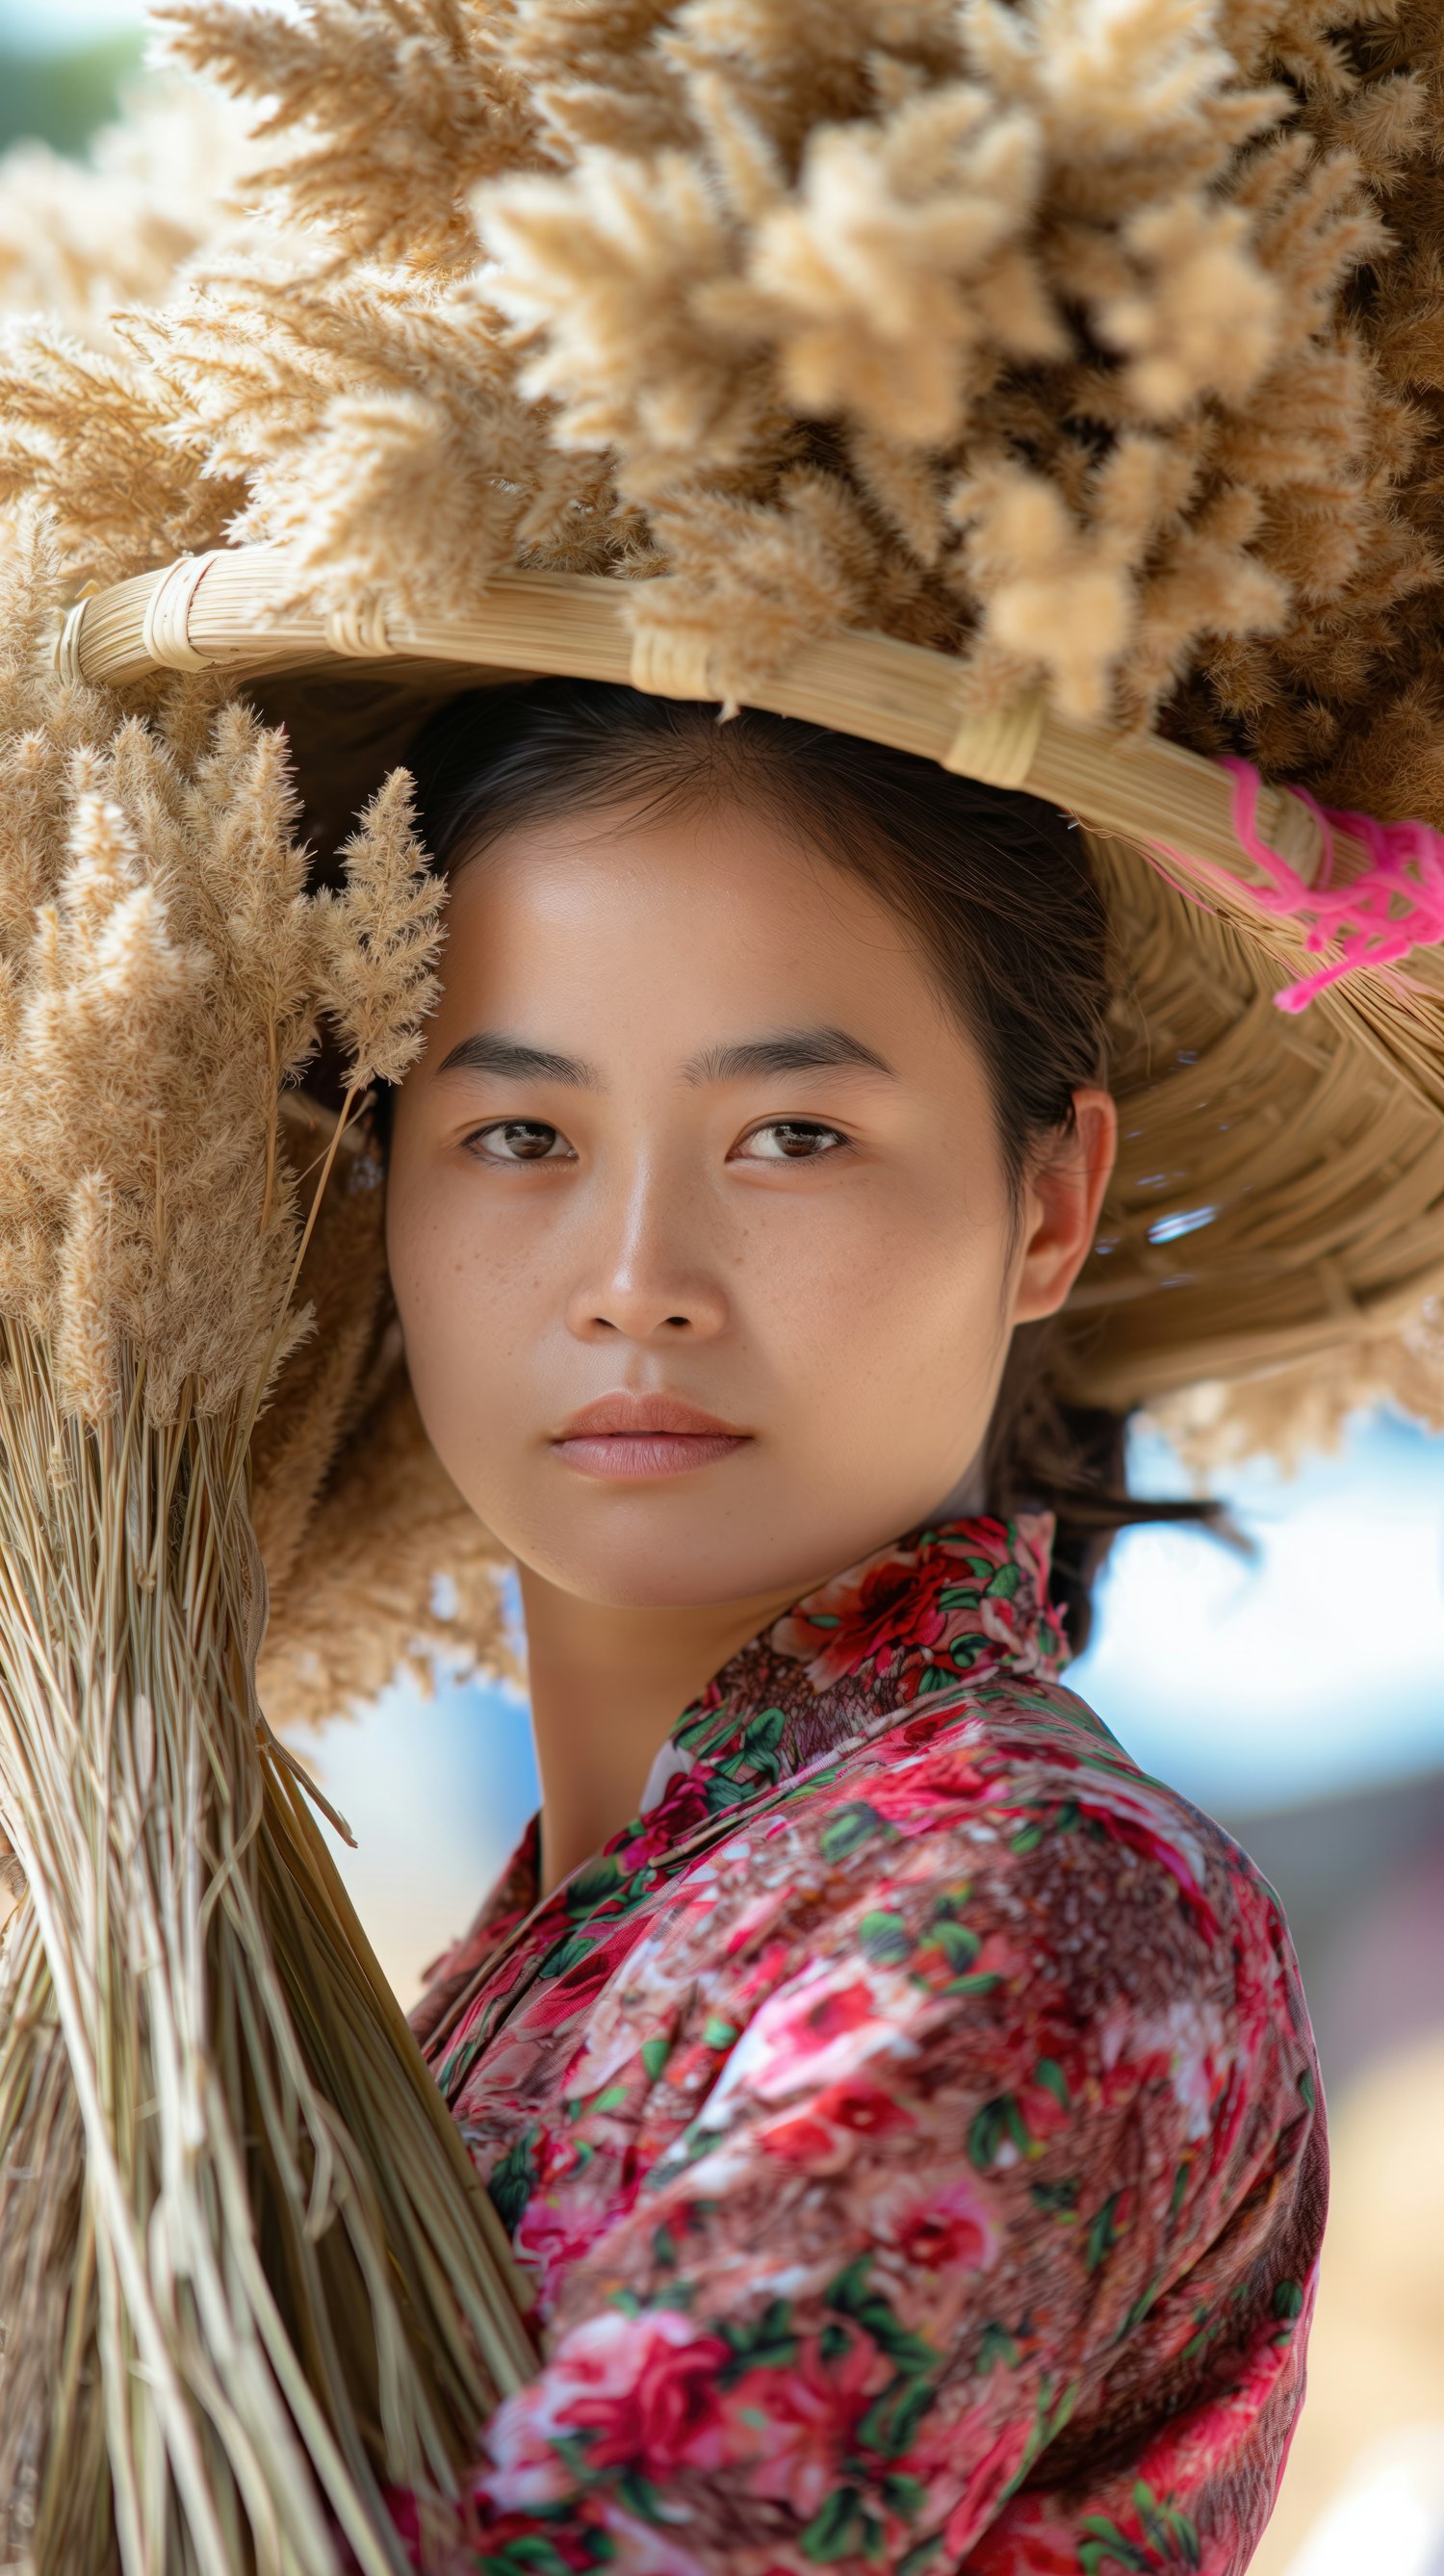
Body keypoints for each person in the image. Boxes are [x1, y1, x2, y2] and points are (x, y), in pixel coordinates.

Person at [376, 679, 1327, 2574]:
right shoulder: (514, 1962)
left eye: (792, 1134)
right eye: (516, 1134)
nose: (638, 1283)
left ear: (1051, 1202)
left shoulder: (1030, 1899)